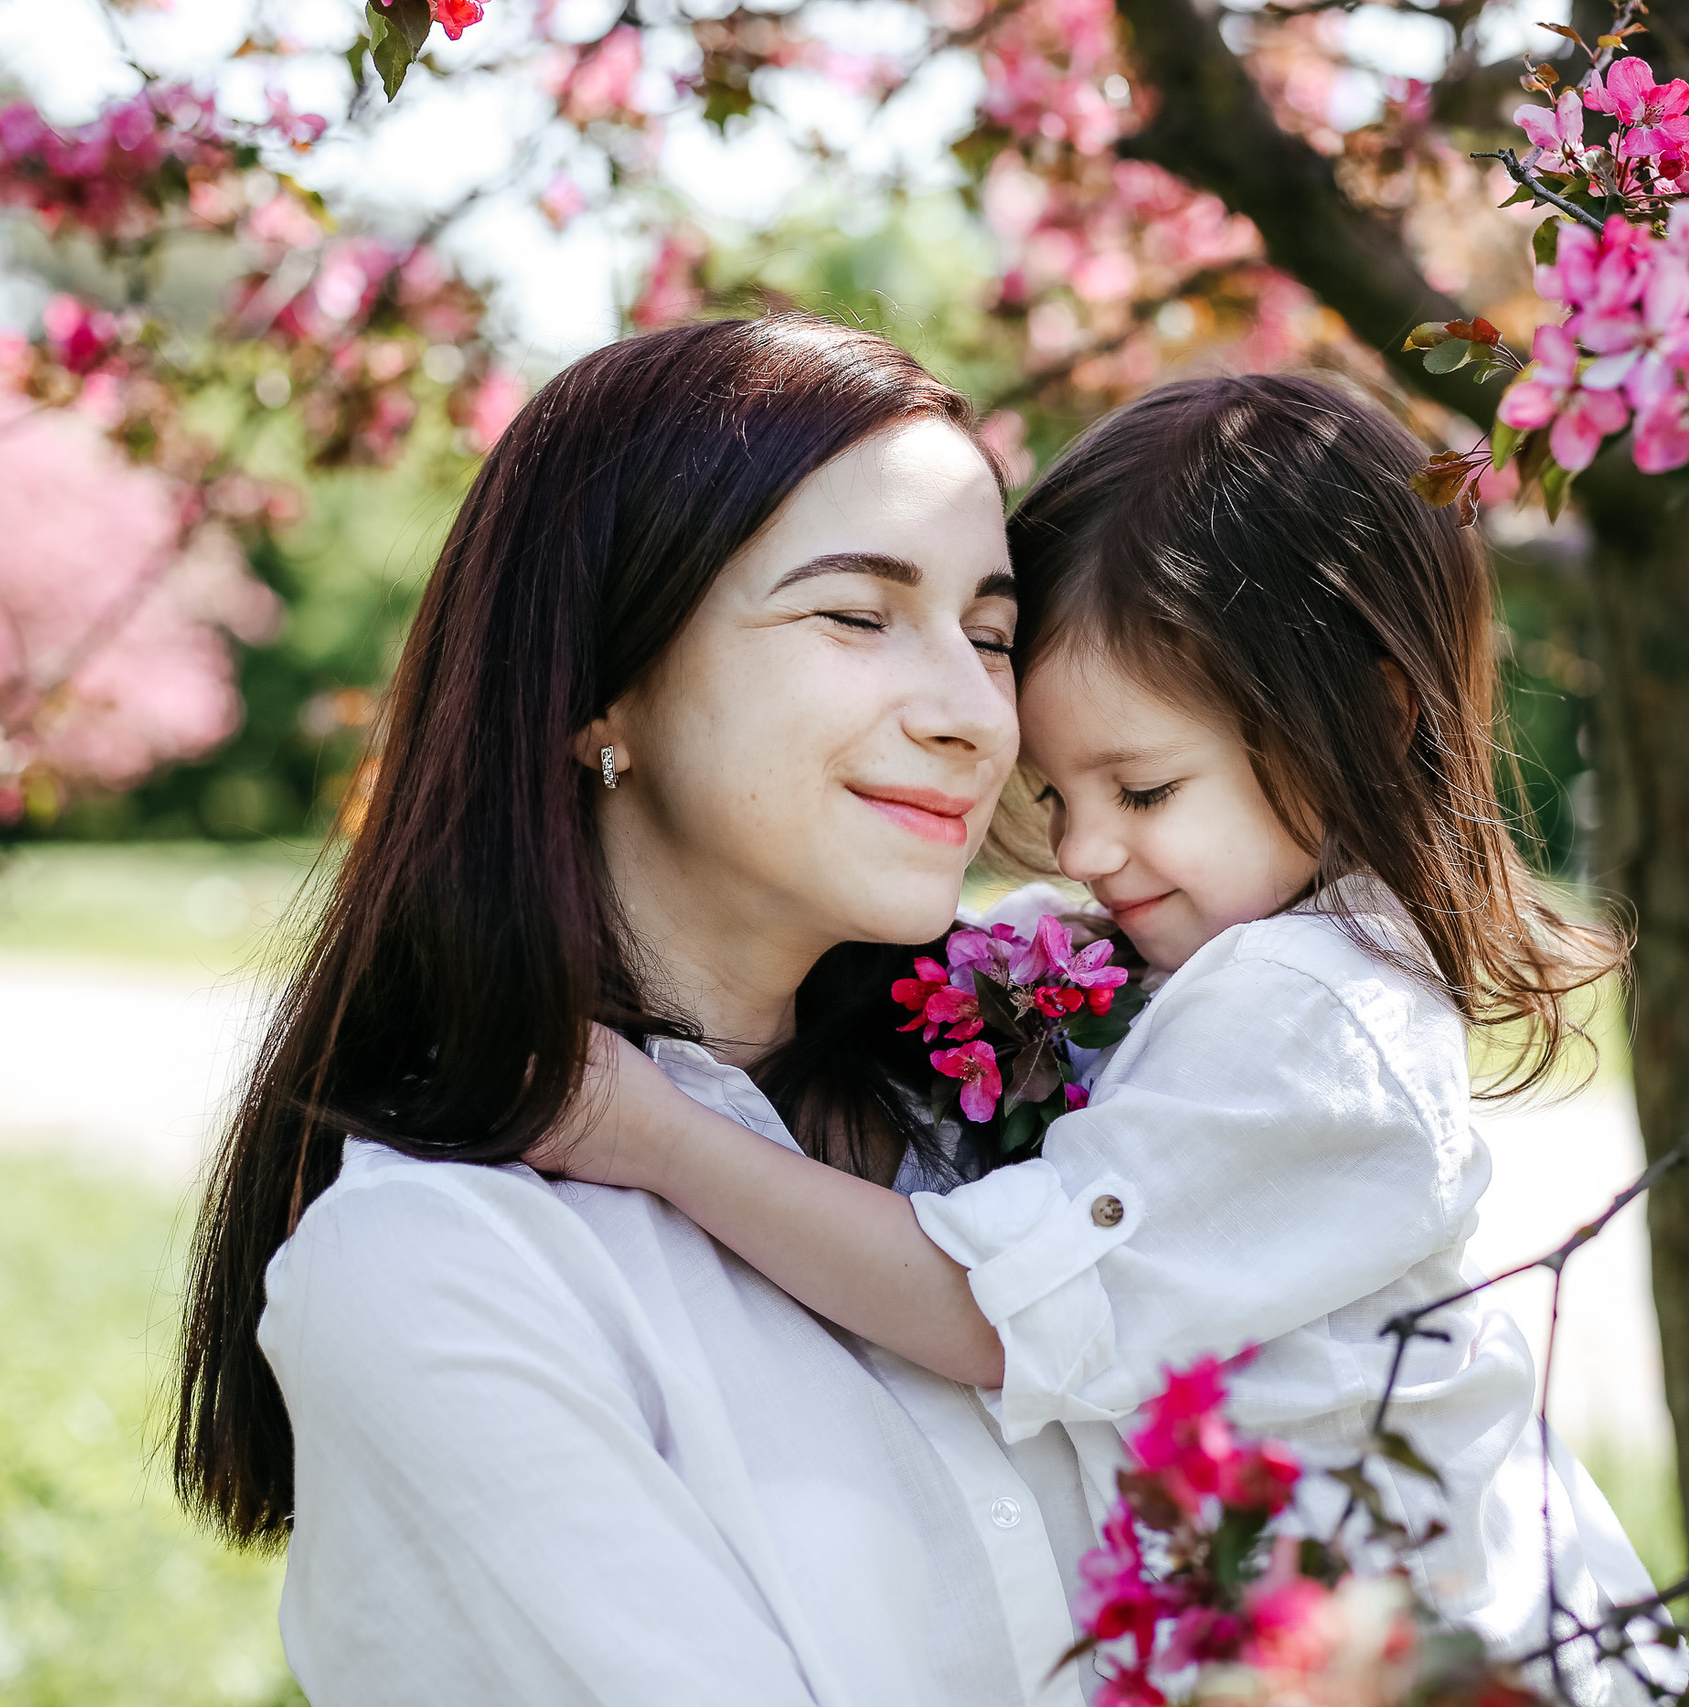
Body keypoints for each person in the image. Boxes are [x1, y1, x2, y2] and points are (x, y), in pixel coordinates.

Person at [538, 374, 1681, 1696]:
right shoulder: (1205, 950)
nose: (1083, 849)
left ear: (1366, 721)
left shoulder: (1317, 1021)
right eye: (1054, 794)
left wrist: (656, 1136)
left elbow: (988, 1311)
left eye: (1141, 790)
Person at [172, 315, 1098, 1705]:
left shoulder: (1053, 1111)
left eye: (991, 635)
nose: (973, 714)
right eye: (856, 616)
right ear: (597, 690)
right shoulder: (440, 1265)